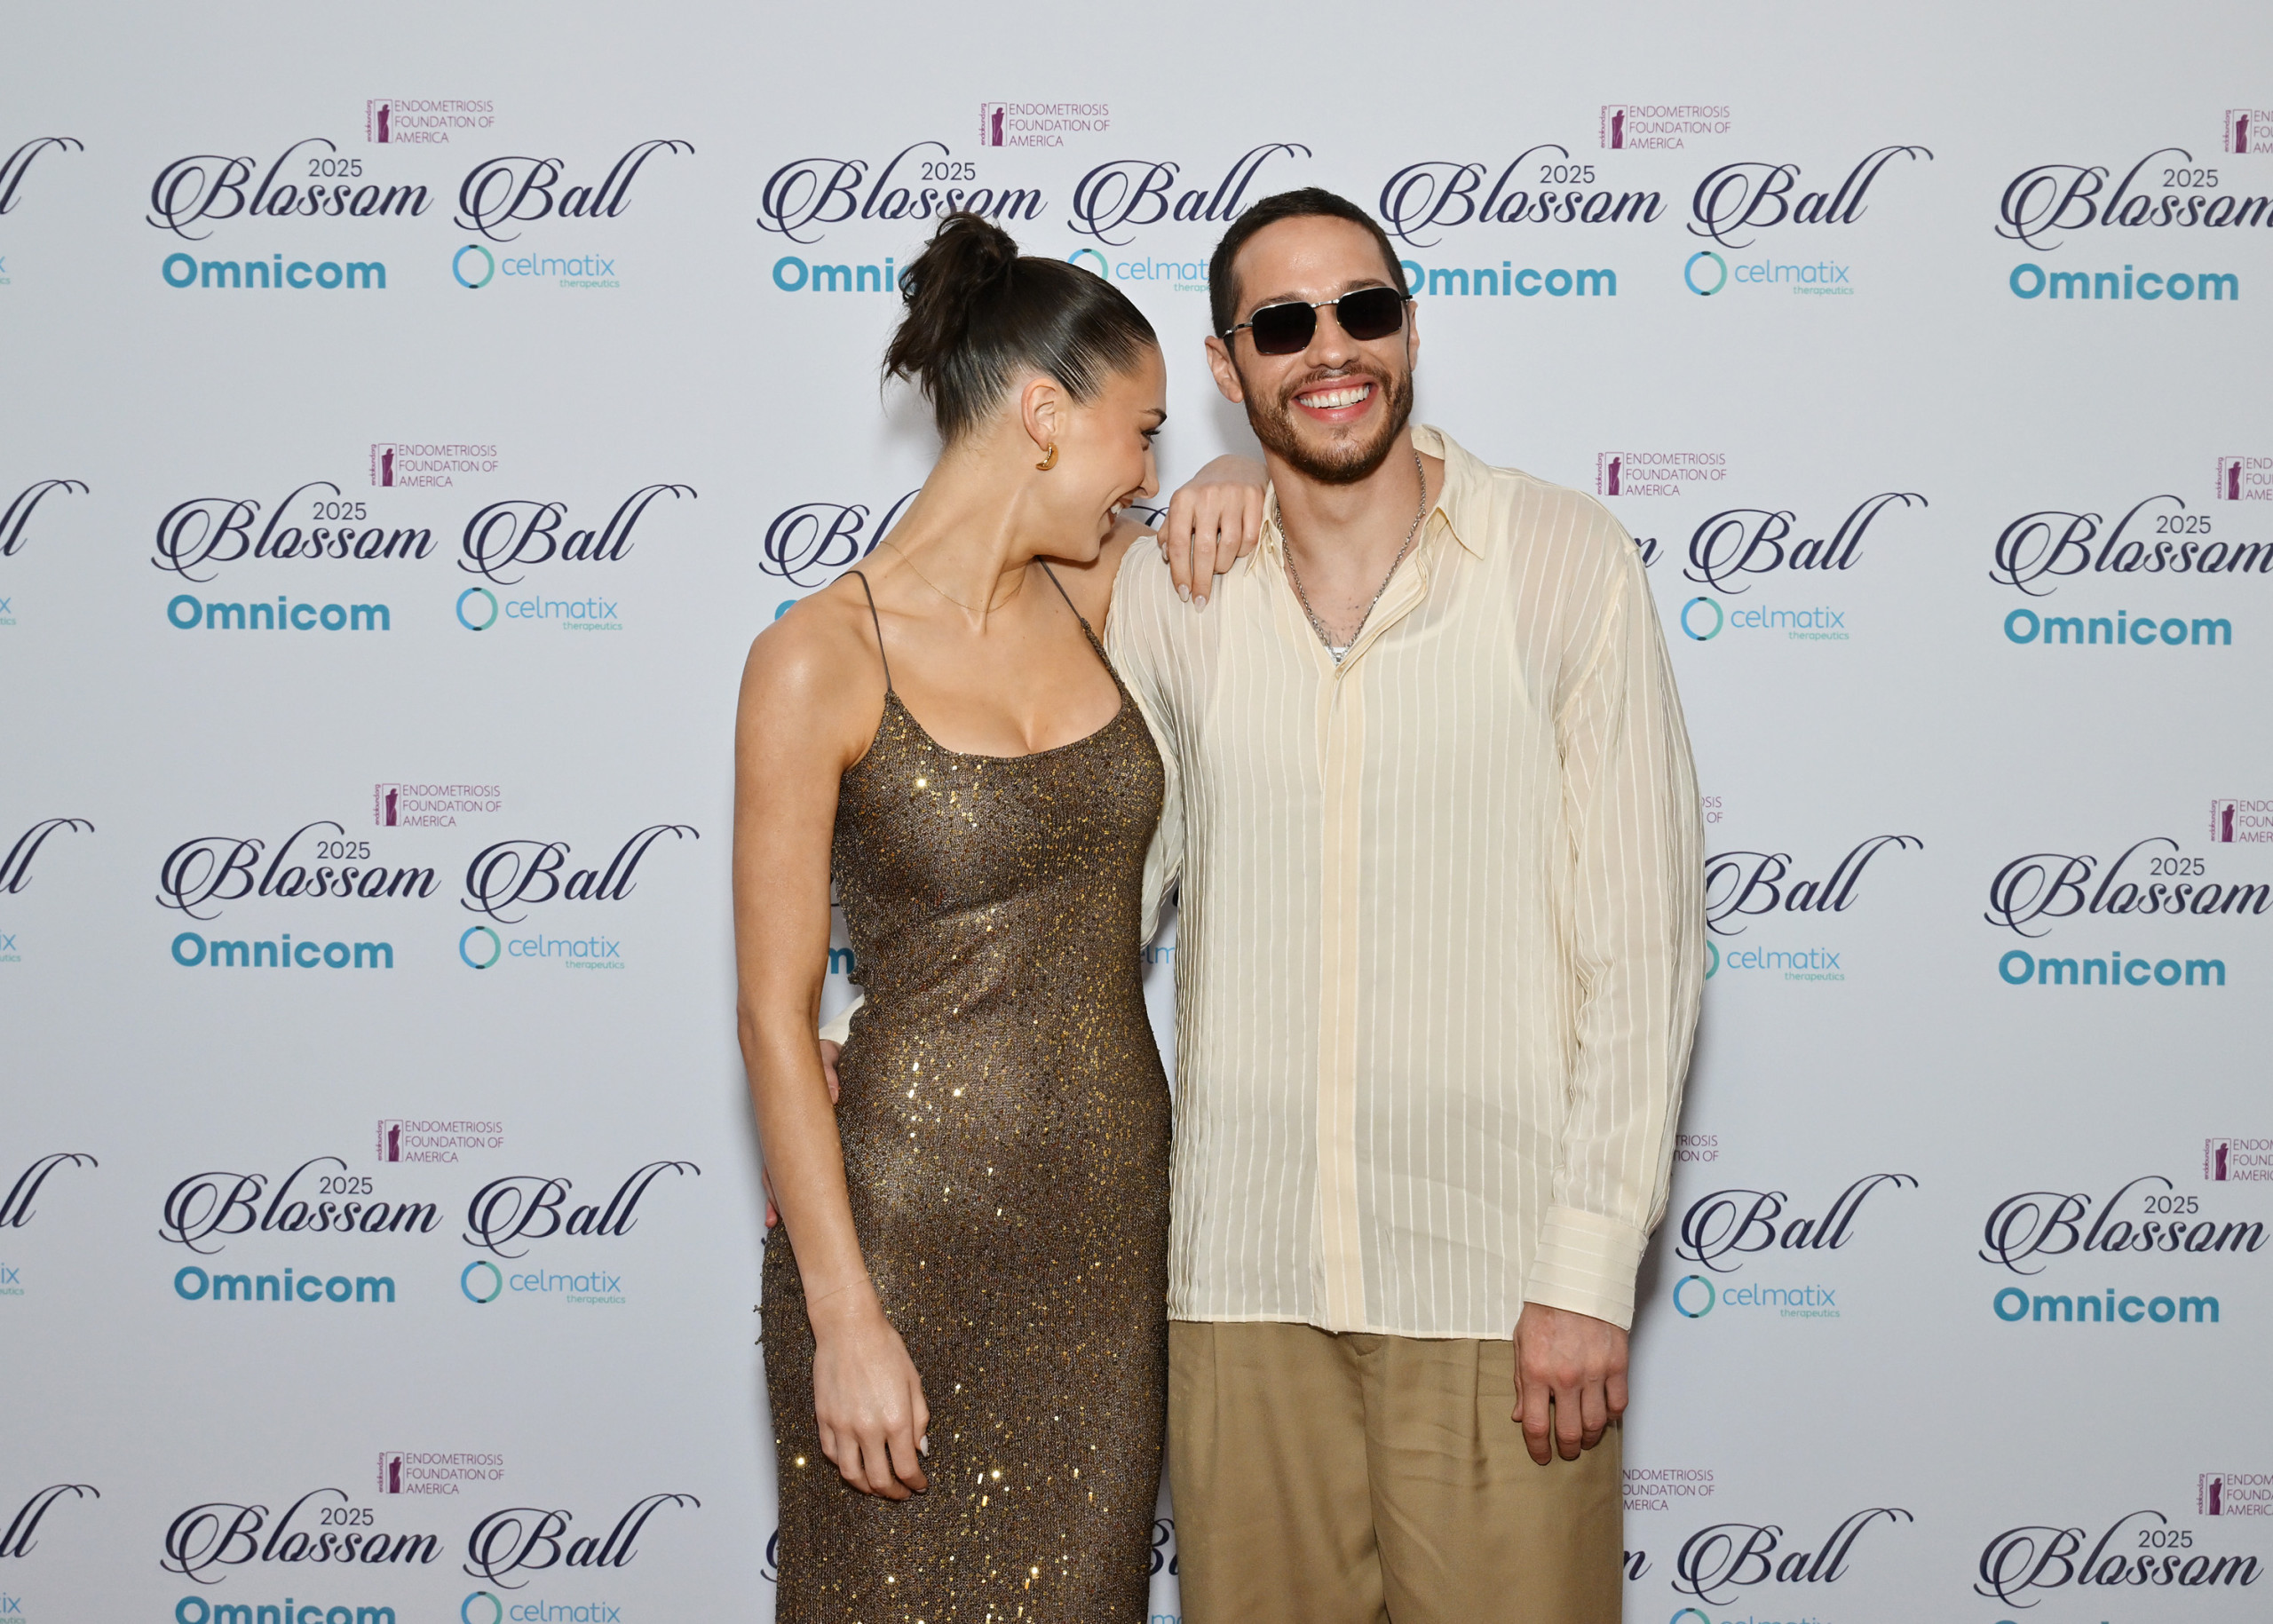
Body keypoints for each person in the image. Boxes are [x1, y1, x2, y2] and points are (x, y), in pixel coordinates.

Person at [1101, 188, 1705, 1622]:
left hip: (1498, 1288)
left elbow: (1645, 948)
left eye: (1363, 309)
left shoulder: (1564, 558)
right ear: (1226, 364)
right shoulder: (1173, 593)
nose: (1332, 349)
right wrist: (883, 1021)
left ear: (1412, 331)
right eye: (1283, 324)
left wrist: (1587, 1268)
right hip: (1241, 1286)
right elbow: (1086, 889)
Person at [735, 211, 1197, 1621]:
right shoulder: (817, 656)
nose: (1151, 474)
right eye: (1143, 435)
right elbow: (772, 1015)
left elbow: (1298, 531)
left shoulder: (1105, 589)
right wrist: (845, 1317)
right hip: (904, 1239)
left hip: (1107, 1246)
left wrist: (1242, 482)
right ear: (1046, 418)